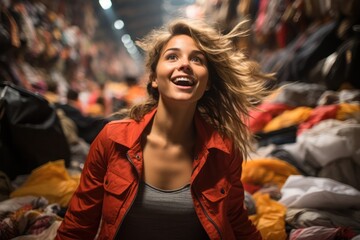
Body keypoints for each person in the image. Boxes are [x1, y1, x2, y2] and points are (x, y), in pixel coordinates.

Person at [56, 17, 273, 240]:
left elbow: (236, 219)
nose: (185, 64)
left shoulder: (224, 151)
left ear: (207, 83)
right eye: (172, 56)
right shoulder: (112, 140)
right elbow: (78, 227)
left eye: (197, 60)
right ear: (153, 78)